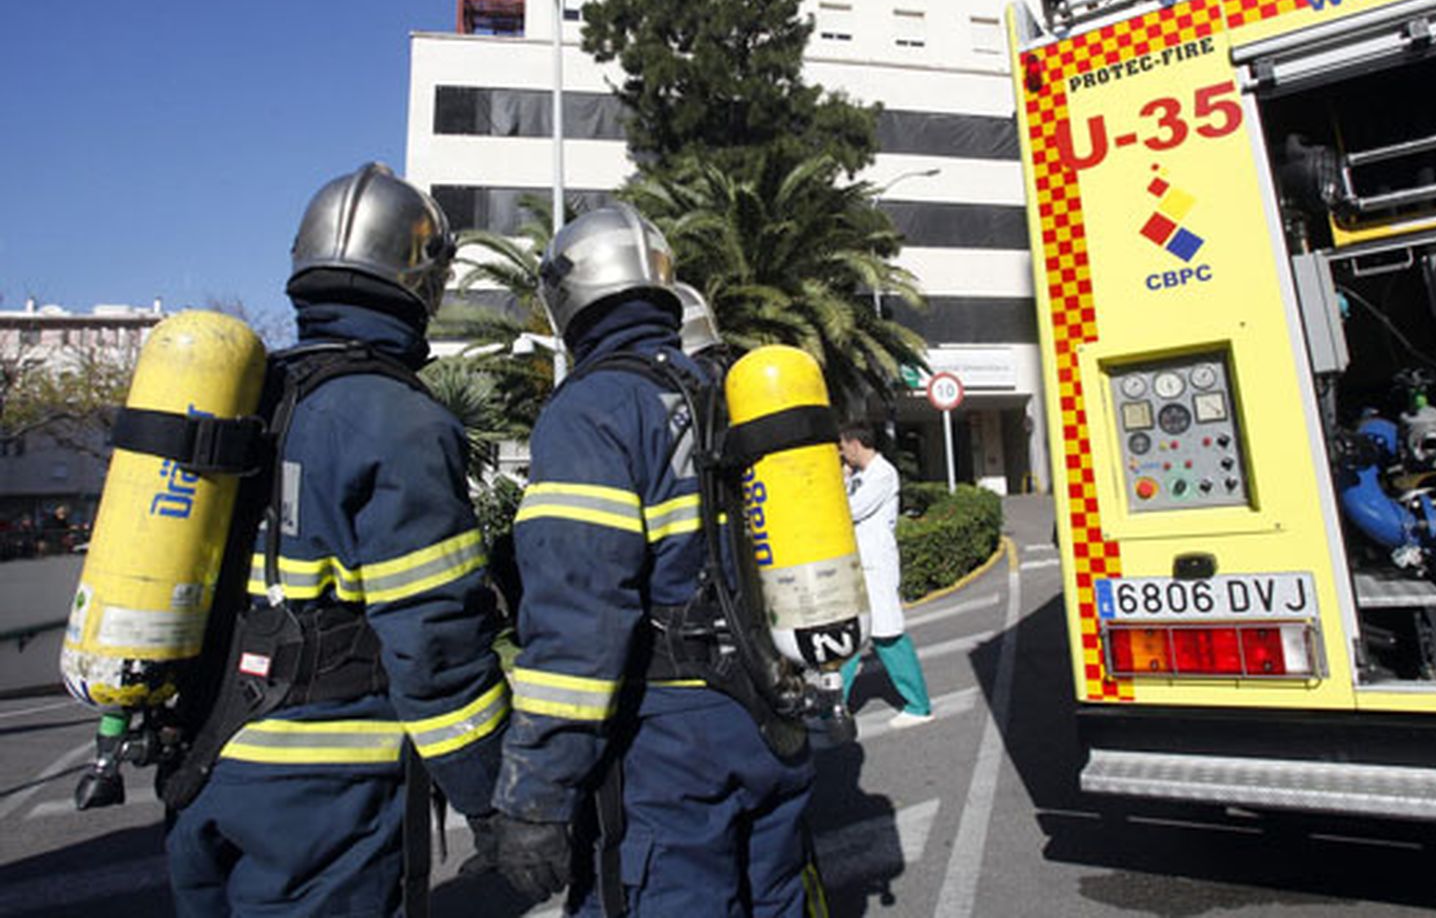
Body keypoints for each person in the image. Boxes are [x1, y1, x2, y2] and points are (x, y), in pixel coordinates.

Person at [165, 162, 509, 916]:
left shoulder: (250, 396)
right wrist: (491, 799)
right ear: (424, 283)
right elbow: (434, 639)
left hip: (204, 762)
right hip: (324, 790)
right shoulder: (399, 422)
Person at [486, 204, 814, 915]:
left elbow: (579, 617)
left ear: (568, 298)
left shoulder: (597, 408)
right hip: (768, 713)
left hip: (669, 740)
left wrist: (537, 793)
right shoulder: (726, 393)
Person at [839, 422, 933, 728]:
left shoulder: (883, 473)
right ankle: (834, 709)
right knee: (852, 637)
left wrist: (841, 486)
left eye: (843, 446)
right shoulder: (862, 476)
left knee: (887, 634)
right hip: (860, 564)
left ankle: (918, 705)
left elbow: (851, 511)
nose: (841, 452)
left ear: (855, 443)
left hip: (877, 565)